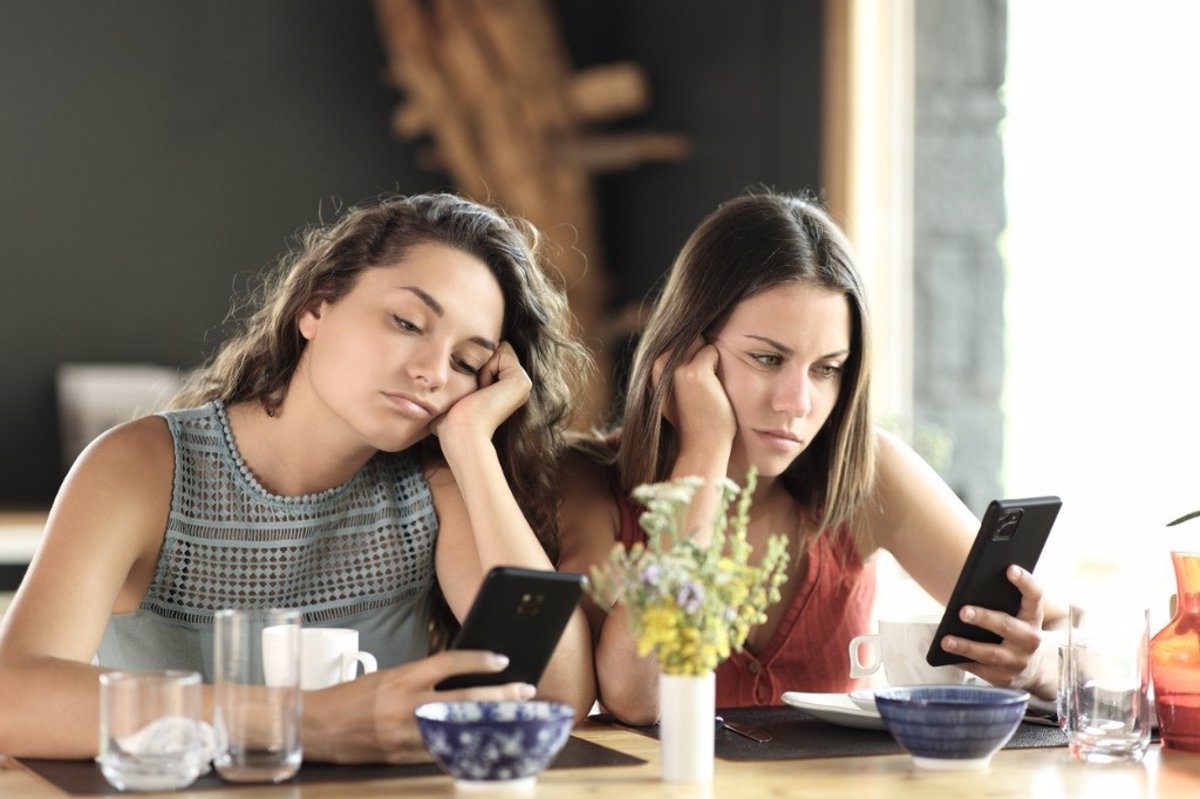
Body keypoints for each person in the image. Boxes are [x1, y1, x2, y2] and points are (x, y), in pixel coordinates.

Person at [0, 192, 596, 761]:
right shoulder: (141, 468)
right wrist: (309, 721)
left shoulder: (433, 484)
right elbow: (15, 699)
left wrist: (470, 448)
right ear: (316, 307)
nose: (433, 372)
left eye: (467, 361)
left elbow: (556, 693)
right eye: (408, 323)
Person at [557, 190, 1065, 723]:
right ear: (686, 352)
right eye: (767, 358)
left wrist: (1034, 666)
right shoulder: (589, 484)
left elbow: (1054, 628)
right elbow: (638, 697)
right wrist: (703, 455)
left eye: (827, 369)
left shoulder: (869, 473)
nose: (796, 403)